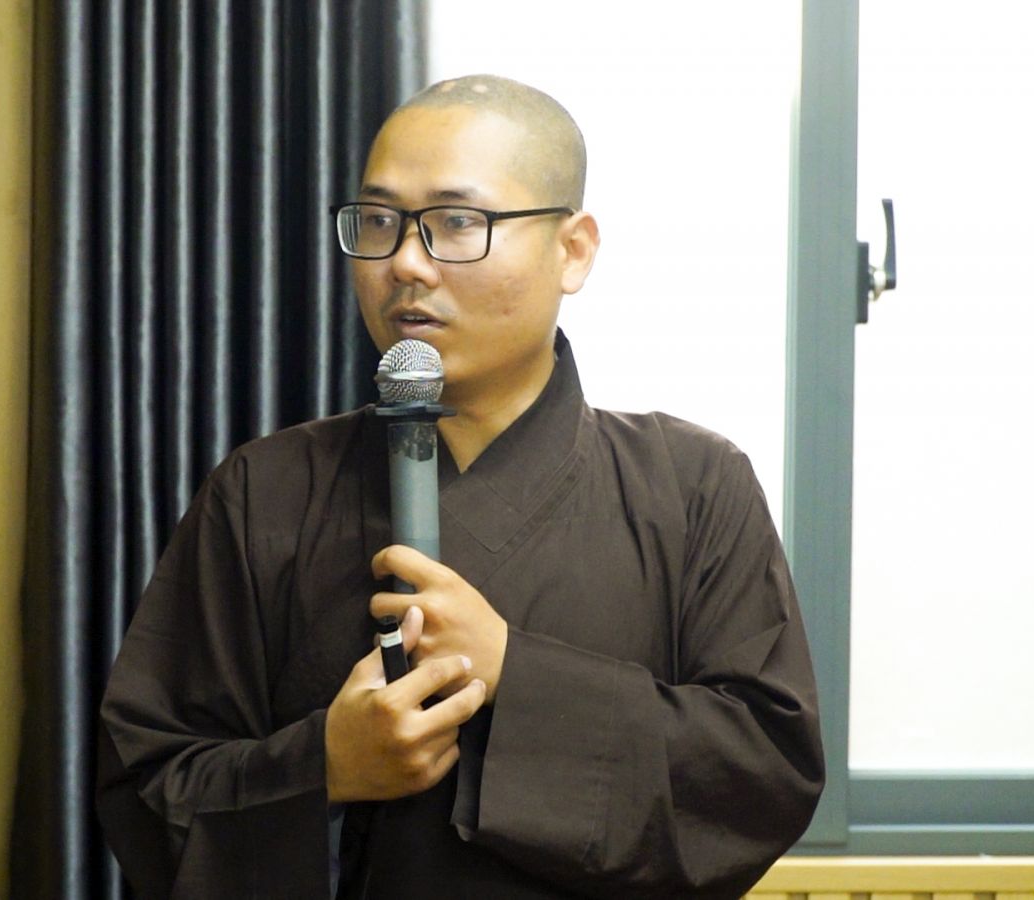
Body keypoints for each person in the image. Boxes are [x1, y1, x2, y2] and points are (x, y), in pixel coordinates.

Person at [97, 74, 824, 899]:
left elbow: (762, 777)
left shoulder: (693, 487)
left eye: (456, 223)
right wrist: (323, 767)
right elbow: (146, 782)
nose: (406, 263)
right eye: (379, 222)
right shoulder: (266, 490)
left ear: (573, 250)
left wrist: (514, 671)